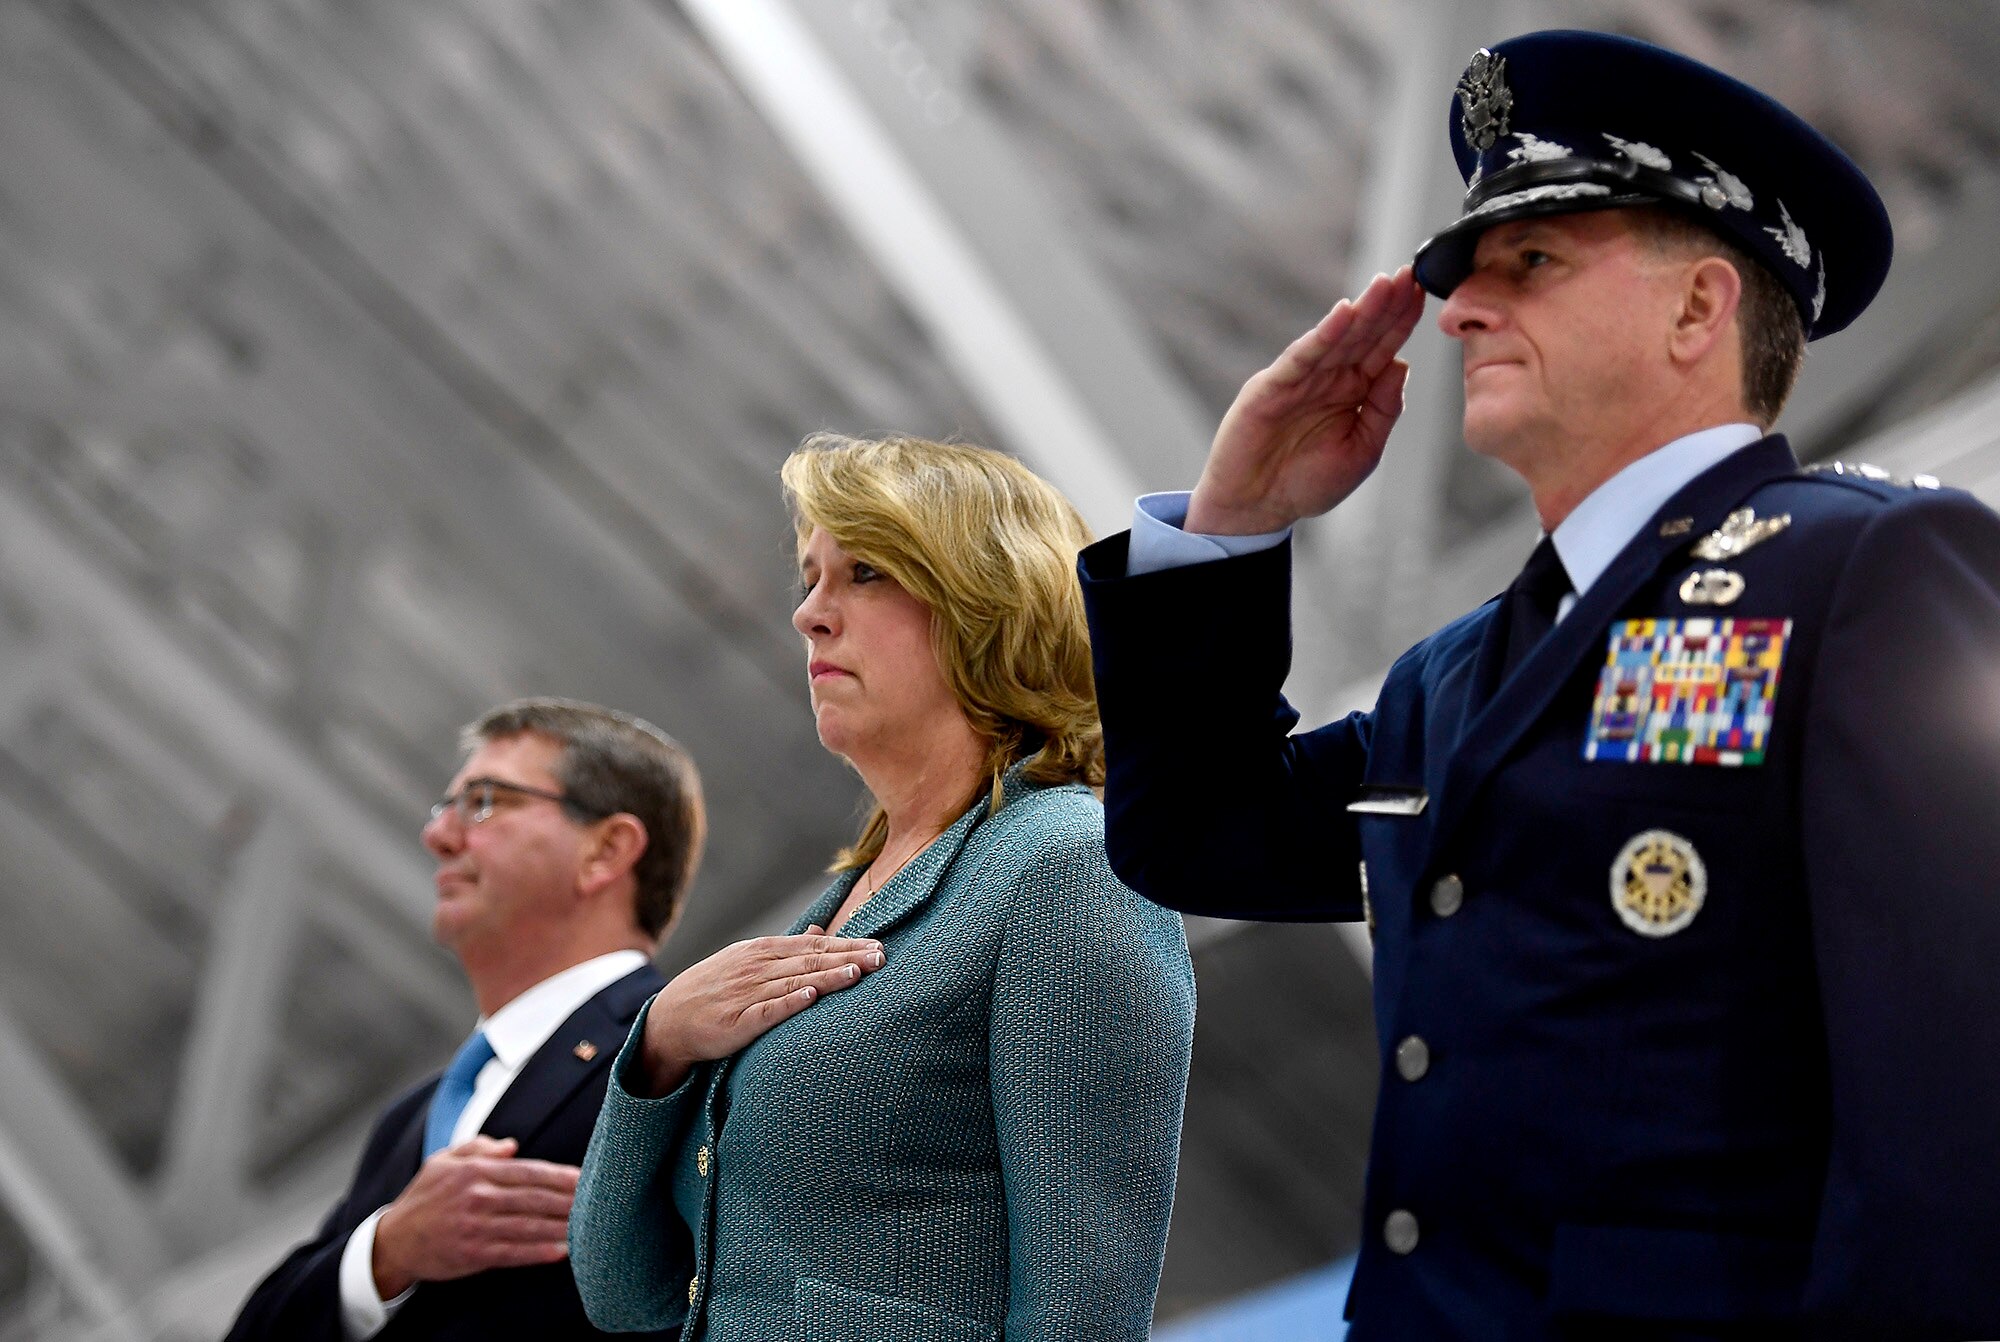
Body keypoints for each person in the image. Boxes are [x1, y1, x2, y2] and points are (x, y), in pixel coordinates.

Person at [1078, 29, 2000, 1342]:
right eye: (1462, 271)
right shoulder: (1452, 678)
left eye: (1533, 260)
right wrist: (1228, 527)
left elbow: (1958, 1097)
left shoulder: (1864, 570)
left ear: (1698, 310)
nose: (1458, 309)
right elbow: (1191, 832)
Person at [567, 435, 1196, 1340]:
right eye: (810, 578)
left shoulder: (1066, 864)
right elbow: (627, 1294)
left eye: (864, 573)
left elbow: (1083, 1309)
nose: (810, 616)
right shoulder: (841, 903)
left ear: (989, 602)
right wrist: (658, 1048)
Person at [224, 699, 706, 1342]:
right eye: (445, 808)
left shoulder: (676, 1050)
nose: (439, 836)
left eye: (484, 801)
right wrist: (386, 1252)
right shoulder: (412, 1116)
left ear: (606, 849)